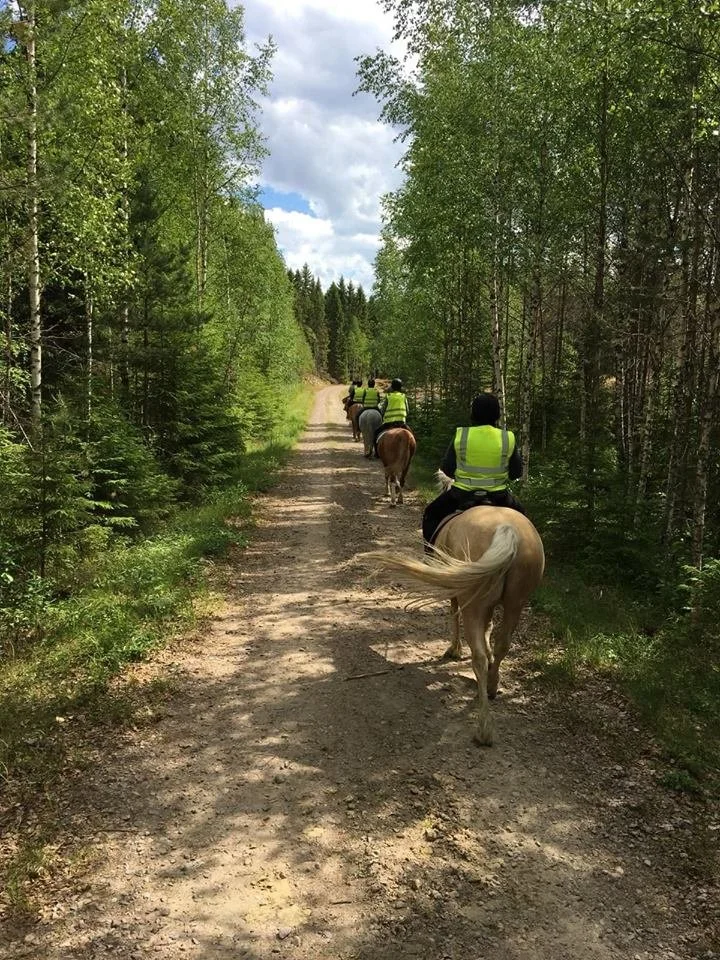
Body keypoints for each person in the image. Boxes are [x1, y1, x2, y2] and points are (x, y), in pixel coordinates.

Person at [422, 393, 526, 550]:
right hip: (499, 496)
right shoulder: (508, 437)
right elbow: (516, 473)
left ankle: (430, 556)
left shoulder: (462, 434)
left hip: (461, 494)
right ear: (497, 415)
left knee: (431, 514)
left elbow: (447, 469)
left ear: (473, 414)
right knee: (524, 521)